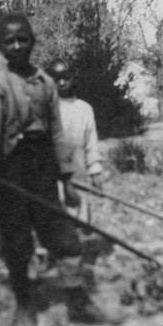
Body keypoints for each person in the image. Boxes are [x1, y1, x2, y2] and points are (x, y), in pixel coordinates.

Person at [0, 12, 107, 326]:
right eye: (10, 41)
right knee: (16, 240)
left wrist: (66, 178)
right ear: (1, 47)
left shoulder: (46, 84)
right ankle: (24, 307)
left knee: (63, 236)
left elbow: (58, 134)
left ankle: (78, 302)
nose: (17, 45)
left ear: (32, 42)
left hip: (43, 168)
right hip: (10, 171)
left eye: (23, 39)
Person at [47, 58, 103, 222]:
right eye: (57, 79)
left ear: (73, 78)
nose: (62, 83)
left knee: (81, 219)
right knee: (58, 223)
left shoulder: (84, 109)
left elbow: (91, 142)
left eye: (66, 78)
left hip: (79, 173)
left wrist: (95, 169)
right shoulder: (47, 109)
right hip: (54, 176)